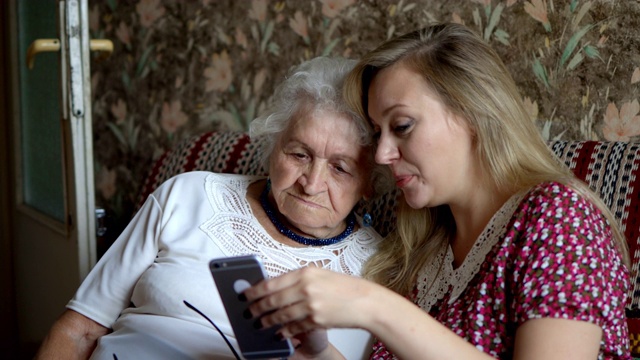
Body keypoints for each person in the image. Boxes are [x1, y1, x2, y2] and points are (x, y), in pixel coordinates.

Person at [244, 23, 632, 359]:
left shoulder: (559, 217)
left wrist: (372, 305)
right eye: (378, 133)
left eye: (403, 126)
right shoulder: (427, 245)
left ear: (473, 111)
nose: (381, 154)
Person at [35, 56, 391, 360]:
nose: (311, 183)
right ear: (272, 145)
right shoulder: (187, 195)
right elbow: (78, 331)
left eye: (340, 168)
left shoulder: (383, 270)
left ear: (369, 182)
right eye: (299, 154)